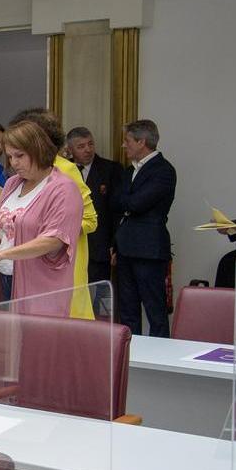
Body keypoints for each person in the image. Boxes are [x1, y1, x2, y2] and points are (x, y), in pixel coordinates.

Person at [0, 121, 83, 316]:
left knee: (35, 342)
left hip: (39, 285)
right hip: (5, 276)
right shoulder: (12, 184)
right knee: (8, 342)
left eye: (20, 156)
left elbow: (54, 240)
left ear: (38, 150)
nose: (14, 163)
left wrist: (1, 255)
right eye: (10, 157)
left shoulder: (63, 188)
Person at [10, 108, 97, 319]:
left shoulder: (63, 170)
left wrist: (51, 231)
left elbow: (89, 219)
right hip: (23, 267)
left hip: (57, 267)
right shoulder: (18, 175)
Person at [113, 119, 177, 337]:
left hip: (149, 248)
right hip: (125, 247)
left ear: (141, 142)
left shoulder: (163, 170)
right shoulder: (129, 170)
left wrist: (127, 202)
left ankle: (161, 358)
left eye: (128, 140)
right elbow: (115, 201)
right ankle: (131, 356)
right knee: (128, 308)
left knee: (154, 308)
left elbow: (136, 203)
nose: (124, 145)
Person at [66, 127, 122, 287]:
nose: (88, 150)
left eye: (90, 144)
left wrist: (114, 244)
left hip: (100, 246)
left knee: (97, 299)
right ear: (70, 150)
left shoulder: (111, 169)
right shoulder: (62, 171)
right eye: (81, 146)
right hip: (71, 246)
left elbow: (116, 212)